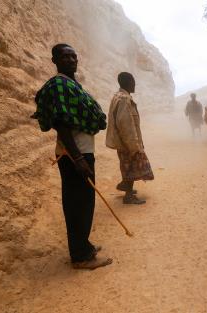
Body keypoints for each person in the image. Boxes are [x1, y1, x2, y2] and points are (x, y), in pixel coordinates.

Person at [32, 43, 112, 269]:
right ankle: (80, 256)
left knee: (84, 202)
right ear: (54, 61)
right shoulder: (59, 84)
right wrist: (77, 159)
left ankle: (83, 246)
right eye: (65, 56)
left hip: (81, 152)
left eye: (74, 56)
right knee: (78, 203)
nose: (71, 60)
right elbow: (60, 122)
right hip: (74, 154)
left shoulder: (71, 84)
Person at [106, 72, 154, 204]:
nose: (135, 84)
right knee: (131, 166)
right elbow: (125, 124)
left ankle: (126, 186)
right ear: (128, 82)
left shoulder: (120, 96)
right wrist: (133, 145)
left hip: (124, 141)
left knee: (128, 165)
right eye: (133, 81)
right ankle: (128, 196)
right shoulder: (124, 99)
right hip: (127, 142)